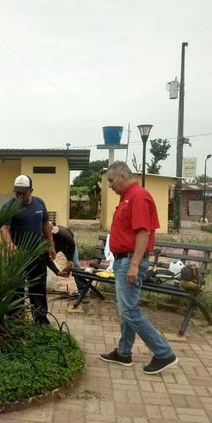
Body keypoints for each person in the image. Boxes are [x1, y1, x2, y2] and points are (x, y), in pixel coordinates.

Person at [99, 161, 178, 375]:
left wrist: (134, 264)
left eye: (111, 180)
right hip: (123, 261)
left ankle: (163, 353)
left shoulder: (138, 196)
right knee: (126, 310)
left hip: (130, 261)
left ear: (123, 176)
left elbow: (143, 232)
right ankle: (123, 352)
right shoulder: (127, 197)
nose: (110, 185)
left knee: (130, 311)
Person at [0, 175, 56, 324]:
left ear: (31, 190)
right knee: (16, 289)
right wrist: (10, 244)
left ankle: (40, 321)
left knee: (38, 288)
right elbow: (4, 229)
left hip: (37, 254)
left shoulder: (39, 203)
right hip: (17, 255)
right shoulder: (9, 207)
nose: (19, 196)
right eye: (16, 192)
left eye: (22, 193)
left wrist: (51, 246)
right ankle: (16, 321)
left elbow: (45, 225)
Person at [46, 224, 89, 298]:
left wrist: (70, 260)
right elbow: (47, 259)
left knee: (75, 264)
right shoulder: (44, 241)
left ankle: (83, 288)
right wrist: (57, 272)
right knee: (43, 261)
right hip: (54, 247)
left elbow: (72, 244)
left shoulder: (63, 233)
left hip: (68, 245)